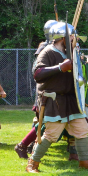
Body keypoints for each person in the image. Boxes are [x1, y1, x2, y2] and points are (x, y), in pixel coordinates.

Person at [26, 22, 88, 173]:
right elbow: (37, 74)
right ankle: (32, 163)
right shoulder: (48, 52)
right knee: (52, 134)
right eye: (71, 37)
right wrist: (60, 67)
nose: (74, 39)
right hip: (55, 100)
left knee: (82, 129)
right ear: (61, 38)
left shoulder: (72, 52)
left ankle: (84, 161)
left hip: (71, 100)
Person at [14, 20, 58, 159]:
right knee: (44, 120)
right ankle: (24, 145)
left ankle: (29, 145)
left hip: (55, 89)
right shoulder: (44, 47)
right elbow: (40, 69)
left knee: (49, 121)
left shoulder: (56, 47)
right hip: (46, 89)